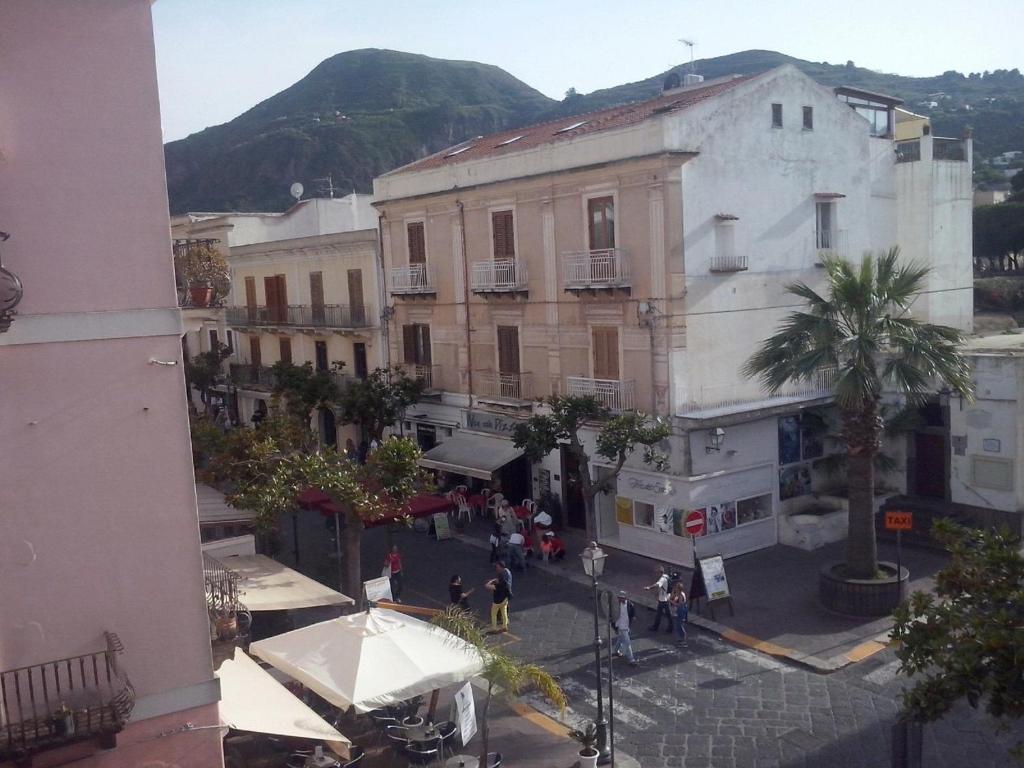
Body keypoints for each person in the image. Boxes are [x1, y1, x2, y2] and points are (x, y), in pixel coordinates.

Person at [611, 590, 639, 666]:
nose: (620, 599)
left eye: (622, 598)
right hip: (620, 626)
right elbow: (612, 617)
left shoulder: (630, 605)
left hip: (626, 626)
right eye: (619, 598)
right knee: (627, 643)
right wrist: (615, 628)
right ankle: (631, 660)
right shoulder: (615, 606)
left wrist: (633, 617)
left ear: (625, 598)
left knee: (620, 639)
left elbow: (632, 613)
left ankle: (616, 651)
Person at [645, 565, 673, 633]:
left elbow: (657, 585)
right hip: (666, 597)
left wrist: (649, 587)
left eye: (657, 572)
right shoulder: (666, 576)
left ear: (660, 572)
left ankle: (669, 628)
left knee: (667, 614)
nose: (656, 574)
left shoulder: (662, 579)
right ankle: (656, 626)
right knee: (660, 614)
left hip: (663, 600)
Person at [485, 562, 511, 632]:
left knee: (493, 614)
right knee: (504, 612)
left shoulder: (496, 586)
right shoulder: (505, 583)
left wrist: (491, 581)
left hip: (497, 601)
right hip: (505, 599)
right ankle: (505, 626)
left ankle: (494, 628)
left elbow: (487, 586)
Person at [669, 581, 689, 647]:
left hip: (681, 610)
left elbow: (678, 604)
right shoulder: (679, 594)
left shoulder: (681, 595)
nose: (675, 589)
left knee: (680, 625)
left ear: (679, 589)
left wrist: (670, 601)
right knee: (678, 625)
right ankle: (681, 638)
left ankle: (684, 641)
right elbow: (675, 597)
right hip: (681, 610)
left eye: (676, 588)